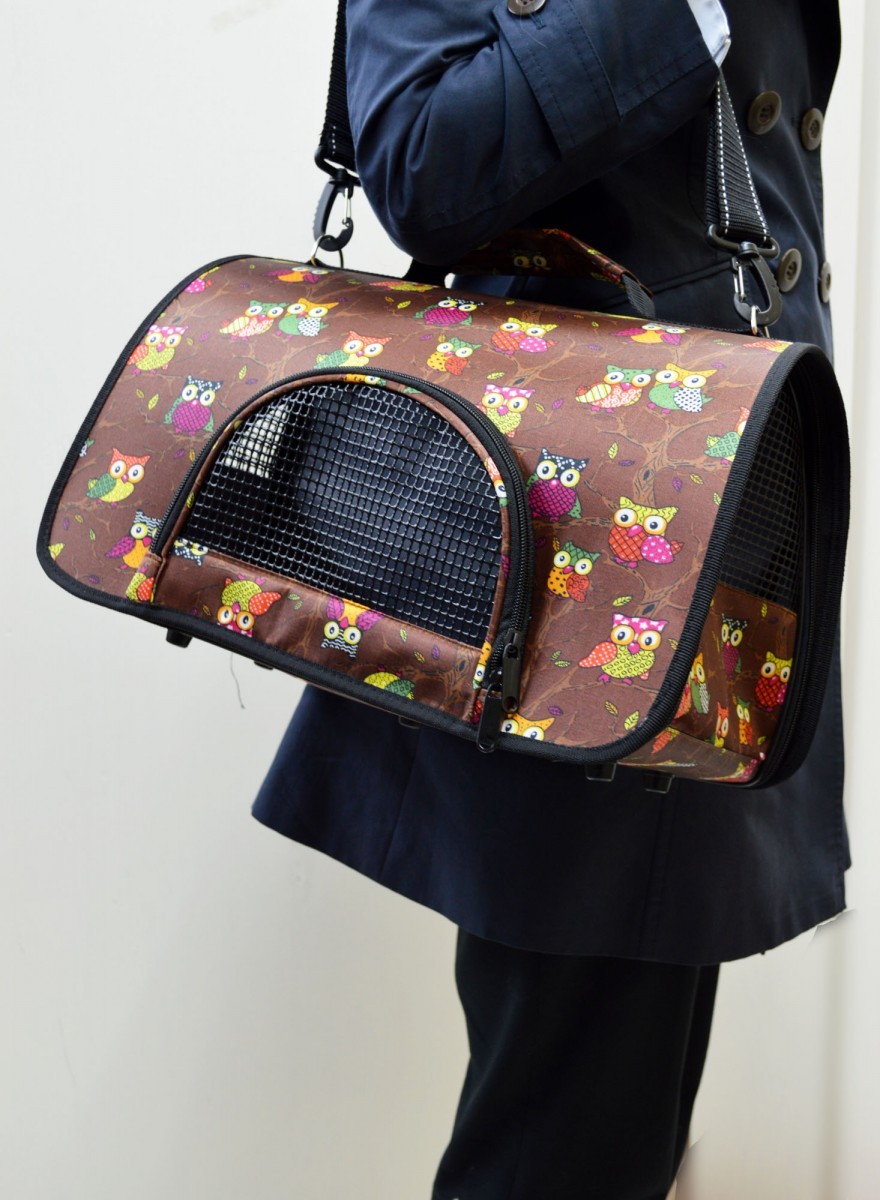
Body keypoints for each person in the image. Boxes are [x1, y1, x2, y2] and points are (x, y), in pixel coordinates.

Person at [253, 2, 848, 1195]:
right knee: (565, 1136)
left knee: (621, 1120)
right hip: (583, 557)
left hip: (712, 529)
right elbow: (419, 159)